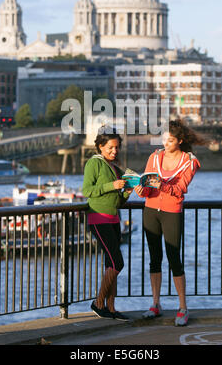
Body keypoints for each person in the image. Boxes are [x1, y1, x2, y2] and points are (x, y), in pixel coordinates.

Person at [135, 119, 205, 326]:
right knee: (154, 258)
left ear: (180, 141)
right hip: (150, 210)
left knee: (174, 258)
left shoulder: (189, 162)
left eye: (171, 140)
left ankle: (183, 307)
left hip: (172, 212)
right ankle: (155, 304)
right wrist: (142, 190)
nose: (166, 143)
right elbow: (147, 185)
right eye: (164, 139)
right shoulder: (154, 157)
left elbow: (180, 189)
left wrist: (161, 184)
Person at [82, 127, 133, 321]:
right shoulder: (93, 164)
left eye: (117, 147)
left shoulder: (115, 168)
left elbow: (118, 202)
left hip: (113, 219)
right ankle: (98, 303)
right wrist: (112, 186)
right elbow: (87, 190)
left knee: (109, 264)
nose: (115, 151)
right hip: (98, 219)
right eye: (111, 147)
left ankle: (111, 308)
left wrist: (128, 191)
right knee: (117, 262)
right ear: (100, 147)